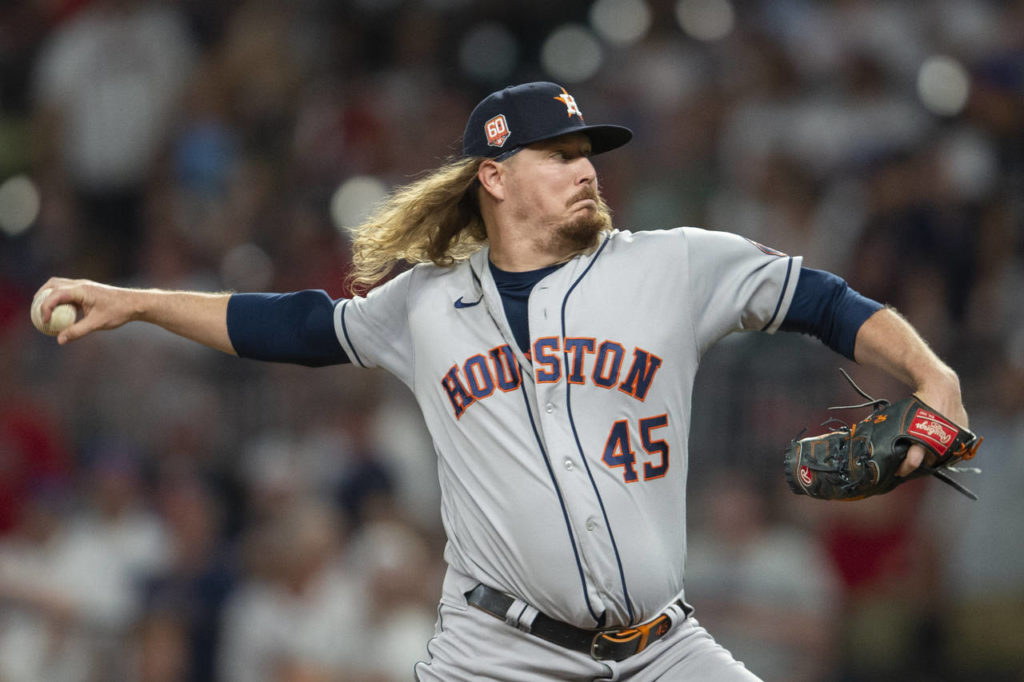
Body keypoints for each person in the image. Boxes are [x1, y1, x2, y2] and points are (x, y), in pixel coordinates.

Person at [34, 81, 969, 681]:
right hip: (495, 653)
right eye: (558, 154)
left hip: (661, 648)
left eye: (587, 152)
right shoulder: (424, 305)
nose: (584, 168)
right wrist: (137, 301)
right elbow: (294, 325)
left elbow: (825, 301)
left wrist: (933, 375)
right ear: (493, 175)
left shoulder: (675, 265)